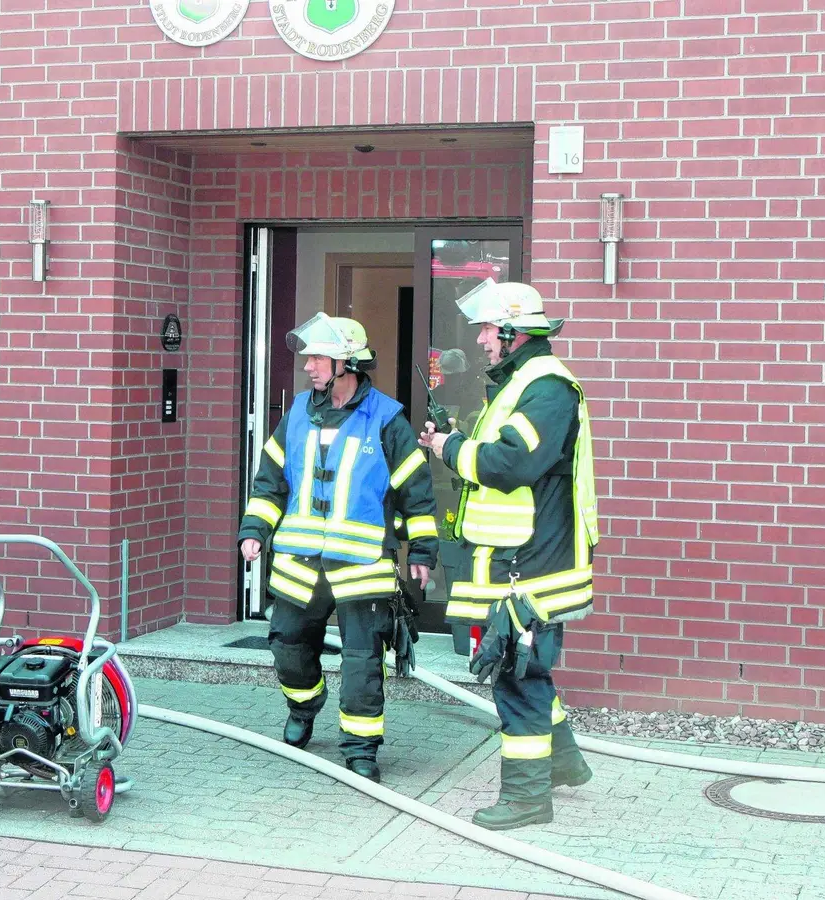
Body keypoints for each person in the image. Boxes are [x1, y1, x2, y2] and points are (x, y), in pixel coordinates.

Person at [418, 280, 600, 830]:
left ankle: (526, 799)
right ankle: (563, 763)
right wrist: (456, 441)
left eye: (486, 329)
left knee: (519, 677)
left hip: (531, 570)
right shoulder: (522, 382)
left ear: (512, 332)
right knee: (527, 670)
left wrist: (447, 447)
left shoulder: (547, 388)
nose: (479, 339)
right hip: (516, 563)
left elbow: (509, 465)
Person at [238, 313, 440, 784]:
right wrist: (254, 530)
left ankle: (361, 747)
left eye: (318, 358)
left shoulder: (387, 419)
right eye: (307, 357)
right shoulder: (295, 418)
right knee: (288, 645)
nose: (308, 367)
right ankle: (304, 705)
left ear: (346, 363)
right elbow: (269, 483)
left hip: (362, 568)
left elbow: (417, 491)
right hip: (298, 565)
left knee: (363, 662)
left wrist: (424, 552)